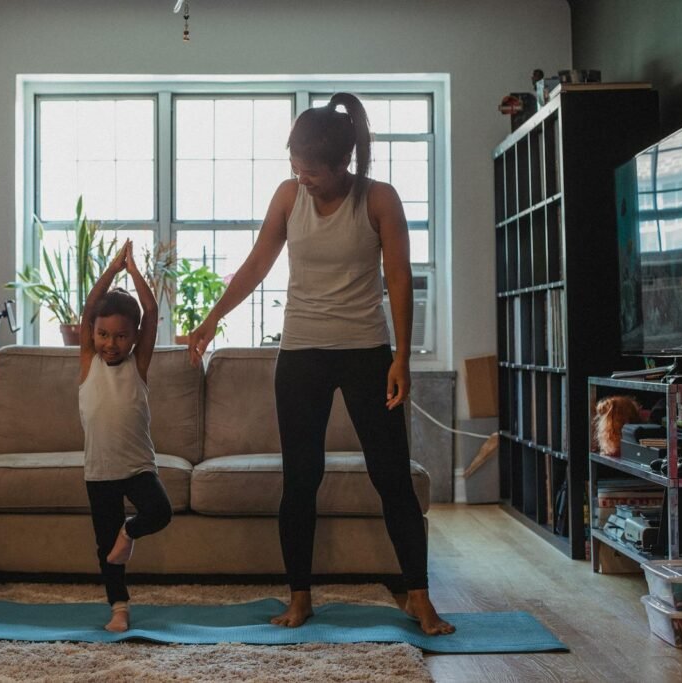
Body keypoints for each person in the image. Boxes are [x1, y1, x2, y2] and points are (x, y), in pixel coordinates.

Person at [187, 93, 454, 636]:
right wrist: (213, 317)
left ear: (342, 165)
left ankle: (419, 598)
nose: (301, 177)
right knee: (301, 479)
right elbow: (258, 261)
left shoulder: (379, 199)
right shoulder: (289, 197)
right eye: (295, 167)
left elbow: (399, 279)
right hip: (301, 353)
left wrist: (403, 357)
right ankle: (300, 597)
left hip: (366, 352)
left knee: (392, 478)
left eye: (311, 170)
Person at [79, 240, 173, 633]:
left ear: (134, 337)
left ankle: (130, 531)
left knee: (160, 512)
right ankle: (119, 606)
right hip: (99, 471)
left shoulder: (139, 363)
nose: (109, 343)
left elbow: (150, 310)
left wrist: (133, 270)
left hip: (137, 465)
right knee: (106, 548)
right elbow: (88, 309)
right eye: (103, 334)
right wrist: (111, 271)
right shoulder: (88, 361)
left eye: (119, 336)